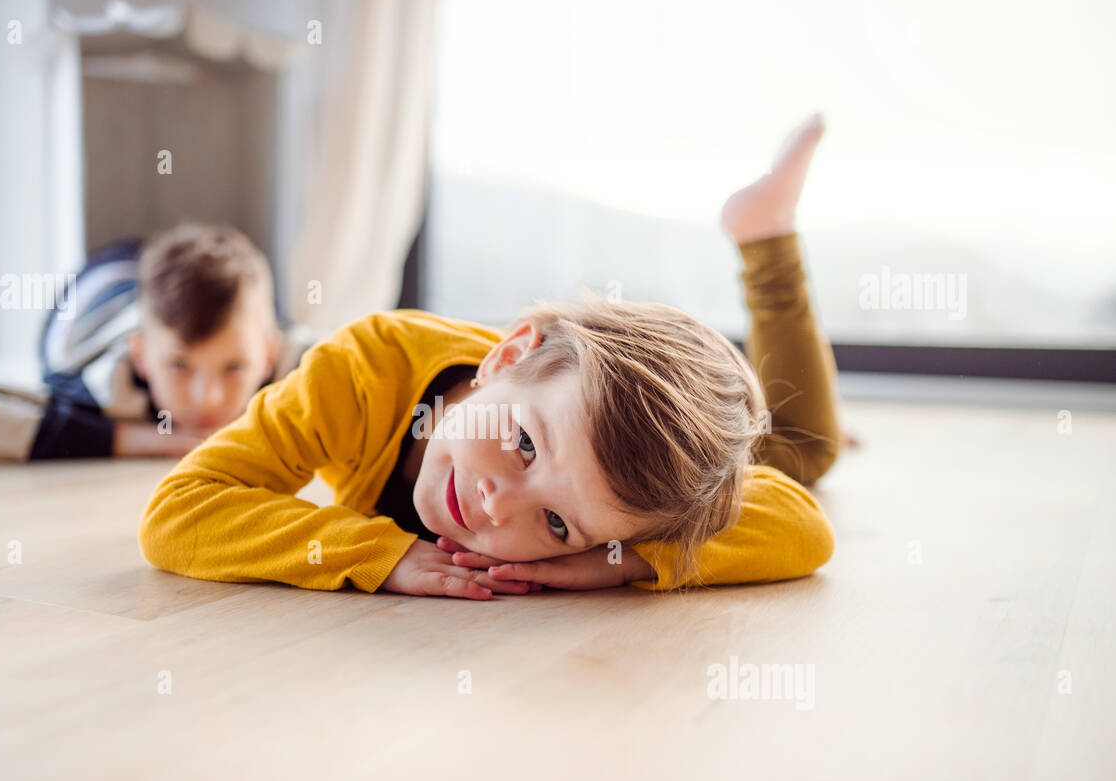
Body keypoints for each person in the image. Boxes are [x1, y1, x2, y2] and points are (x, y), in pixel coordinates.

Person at [138, 114, 844, 597]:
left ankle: (767, 235)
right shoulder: (358, 371)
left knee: (799, 456)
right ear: (508, 356)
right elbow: (178, 513)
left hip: (668, 468)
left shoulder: (614, 494)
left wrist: (620, 562)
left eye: (559, 525)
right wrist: (378, 557)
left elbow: (803, 527)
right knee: (807, 446)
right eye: (524, 443)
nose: (498, 506)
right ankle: (767, 239)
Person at [0, 223, 316, 461]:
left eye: (234, 367)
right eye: (179, 366)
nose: (206, 398)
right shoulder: (95, 381)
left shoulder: (295, 358)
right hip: (98, 289)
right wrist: (135, 438)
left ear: (268, 354)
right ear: (140, 356)